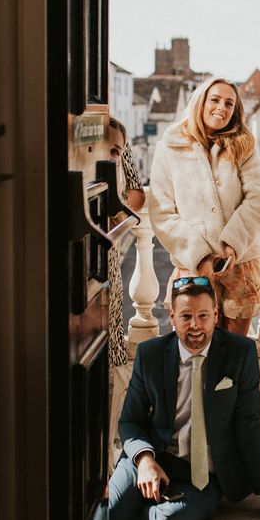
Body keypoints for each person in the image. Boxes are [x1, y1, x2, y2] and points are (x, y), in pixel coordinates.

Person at [107, 277, 260, 520]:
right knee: (105, 517)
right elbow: (130, 420)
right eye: (186, 316)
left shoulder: (241, 352)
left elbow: (248, 424)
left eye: (203, 315)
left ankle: (133, 509)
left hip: (206, 476)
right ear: (173, 318)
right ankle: (122, 505)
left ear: (215, 316)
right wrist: (144, 460)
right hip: (156, 455)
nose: (195, 325)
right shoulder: (149, 353)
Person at [149, 77, 260, 336]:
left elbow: (258, 199)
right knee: (196, 349)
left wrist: (233, 244)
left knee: (233, 350)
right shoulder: (169, 147)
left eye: (229, 103)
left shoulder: (244, 144)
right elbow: (162, 211)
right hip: (194, 265)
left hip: (241, 262)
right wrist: (201, 256)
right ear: (200, 102)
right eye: (215, 99)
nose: (222, 108)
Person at [107, 116, 145, 368]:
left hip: (108, 251)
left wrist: (116, 211)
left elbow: (137, 191)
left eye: (113, 152)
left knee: (110, 329)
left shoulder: (120, 136)